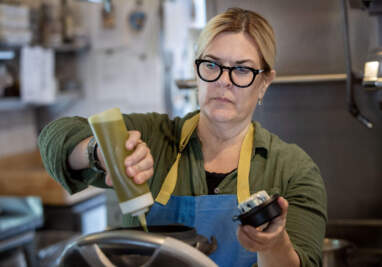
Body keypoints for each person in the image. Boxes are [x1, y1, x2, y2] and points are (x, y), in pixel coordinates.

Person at [38, 7, 327, 267]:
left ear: (264, 82)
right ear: (196, 71)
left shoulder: (292, 170)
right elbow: (54, 138)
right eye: (212, 65)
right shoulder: (152, 137)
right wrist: (100, 152)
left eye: (241, 69)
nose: (223, 81)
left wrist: (272, 244)